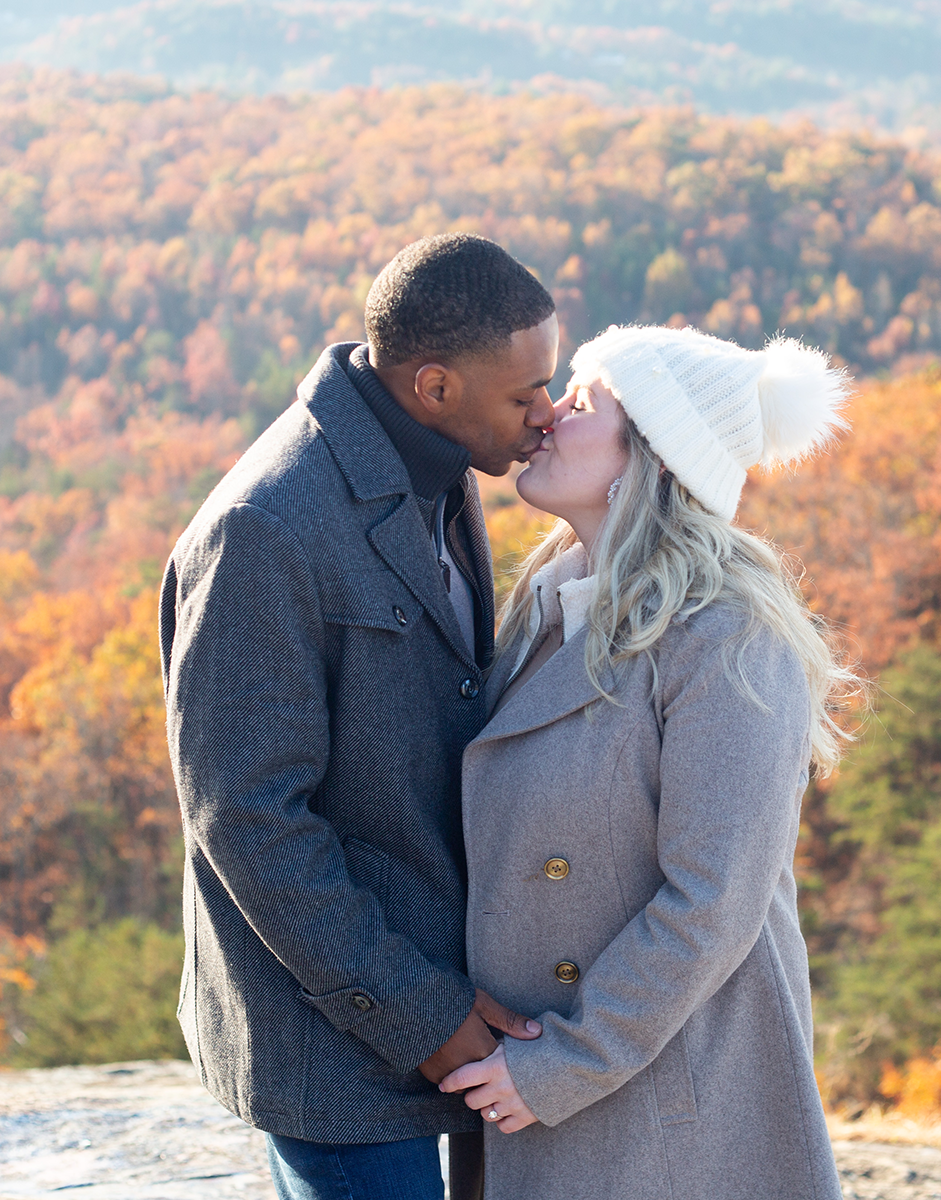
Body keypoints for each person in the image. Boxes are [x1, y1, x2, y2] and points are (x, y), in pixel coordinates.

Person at [159, 234, 559, 1200]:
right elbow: (250, 825)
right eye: (524, 395)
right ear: (434, 387)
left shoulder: (440, 462)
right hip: (335, 1037)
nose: (547, 414)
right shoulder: (263, 531)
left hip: (447, 1000)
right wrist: (421, 1017)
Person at [441, 324, 859, 1198]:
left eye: (585, 401)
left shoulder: (729, 636)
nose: (549, 413)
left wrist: (565, 1063)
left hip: (667, 1109)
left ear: (652, 460)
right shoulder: (542, 613)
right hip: (541, 1092)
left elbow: (712, 902)